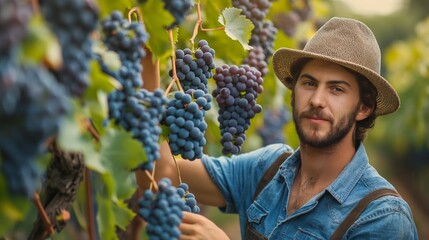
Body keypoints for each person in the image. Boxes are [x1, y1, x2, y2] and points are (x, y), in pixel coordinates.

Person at [137, 17, 418, 239]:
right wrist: (150, 55)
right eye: (309, 83)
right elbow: (161, 171)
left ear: (363, 108)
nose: (317, 100)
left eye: (337, 89)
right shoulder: (267, 169)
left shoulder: (382, 217)